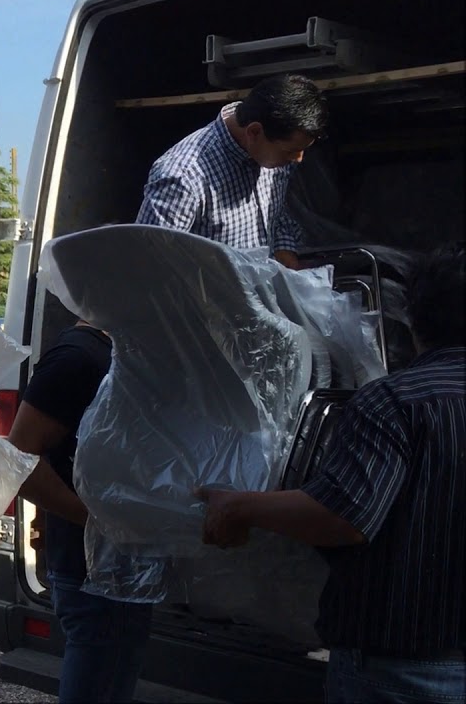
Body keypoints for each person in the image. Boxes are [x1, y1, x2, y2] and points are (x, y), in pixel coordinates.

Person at [199, 242, 465, 703]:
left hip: (402, 671)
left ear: (417, 323)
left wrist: (239, 504)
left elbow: (343, 516)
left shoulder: (395, 402)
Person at [8, 320, 152, 704]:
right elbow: (17, 460)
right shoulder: (79, 358)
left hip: (118, 570)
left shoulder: (116, 354)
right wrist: (100, 522)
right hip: (94, 575)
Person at [136, 73, 329, 270]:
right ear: (254, 132)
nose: (298, 159)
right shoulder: (183, 177)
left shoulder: (273, 155)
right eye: (290, 151)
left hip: (262, 293)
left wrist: (287, 260)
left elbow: (276, 217)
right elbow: (151, 268)